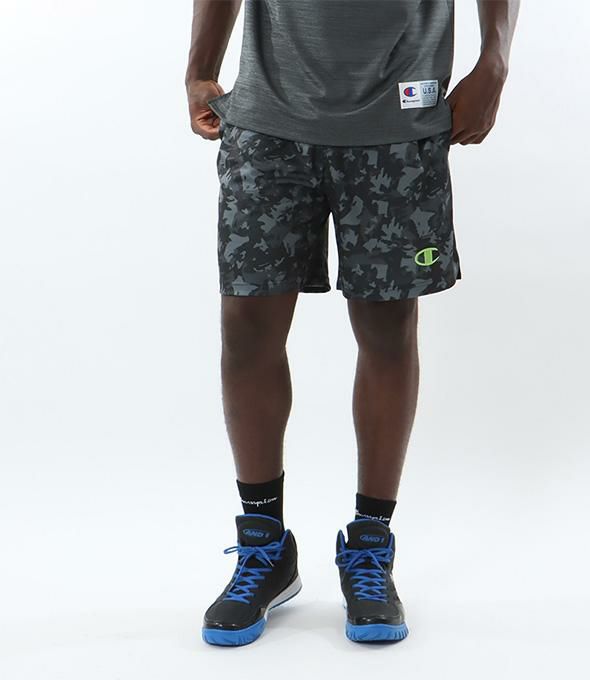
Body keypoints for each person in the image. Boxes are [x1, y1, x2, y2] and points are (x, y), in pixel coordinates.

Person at [185, 0, 519, 646]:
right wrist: (200, 67)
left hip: (399, 117)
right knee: (247, 328)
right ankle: (264, 547)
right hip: (268, 117)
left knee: (387, 330)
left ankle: (370, 546)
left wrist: (495, 60)